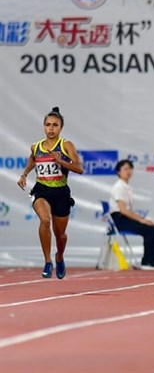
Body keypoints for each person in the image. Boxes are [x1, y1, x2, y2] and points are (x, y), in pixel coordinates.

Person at [17, 107, 83, 279]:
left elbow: (79, 168)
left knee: (60, 235)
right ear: (44, 127)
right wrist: (24, 174)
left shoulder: (66, 145)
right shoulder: (36, 146)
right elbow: (33, 158)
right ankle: (47, 261)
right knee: (45, 220)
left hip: (61, 192)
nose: (51, 128)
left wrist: (60, 160)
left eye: (55, 125)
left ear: (60, 127)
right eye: (48, 125)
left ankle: (59, 257)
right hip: (42, 190)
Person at [109, 159, 154, 270]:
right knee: (150, 230)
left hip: (124, 218)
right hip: (120, 220)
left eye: (130, 168)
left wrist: (142, 219)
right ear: (119, 172)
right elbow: (123, 210)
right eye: (125, 169)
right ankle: (146, 262)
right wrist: (141, 220)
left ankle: (151, 261)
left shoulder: (127, 187)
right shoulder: (119, 187)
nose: (128, 171)